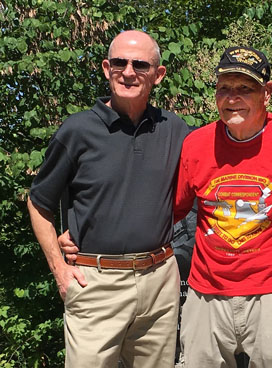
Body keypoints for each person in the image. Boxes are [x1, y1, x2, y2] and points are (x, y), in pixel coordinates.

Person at [27, 30, 189, 368]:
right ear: (106, 68)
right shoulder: (77, 130)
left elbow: (219, 162)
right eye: (119, 62)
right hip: (95, 282)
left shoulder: (175, 129)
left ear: (157, 75)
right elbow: (39, 201)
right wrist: (59, 268)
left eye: (140, 64)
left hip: (159, 281)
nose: (128, 72)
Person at [173, 46, 272, 368]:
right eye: (224, 88)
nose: (232, 98)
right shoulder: (196, 144)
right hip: (206, 291)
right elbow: (170, 211)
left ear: (267, 93)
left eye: (245, 89)